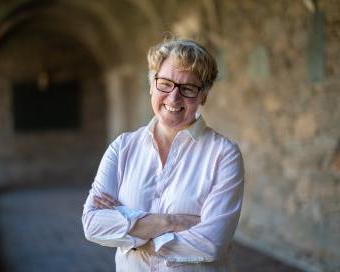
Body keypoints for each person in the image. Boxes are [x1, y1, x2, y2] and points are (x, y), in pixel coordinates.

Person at [82, 37, 244, 271]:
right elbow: (93, 224)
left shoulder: (224, 155)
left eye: (188, 88)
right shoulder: (122, 148)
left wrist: (126, 224)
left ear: (203, 96)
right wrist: (172, 222)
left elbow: (211, 243)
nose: (173, 97)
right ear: (151, 84)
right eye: (165, 83)